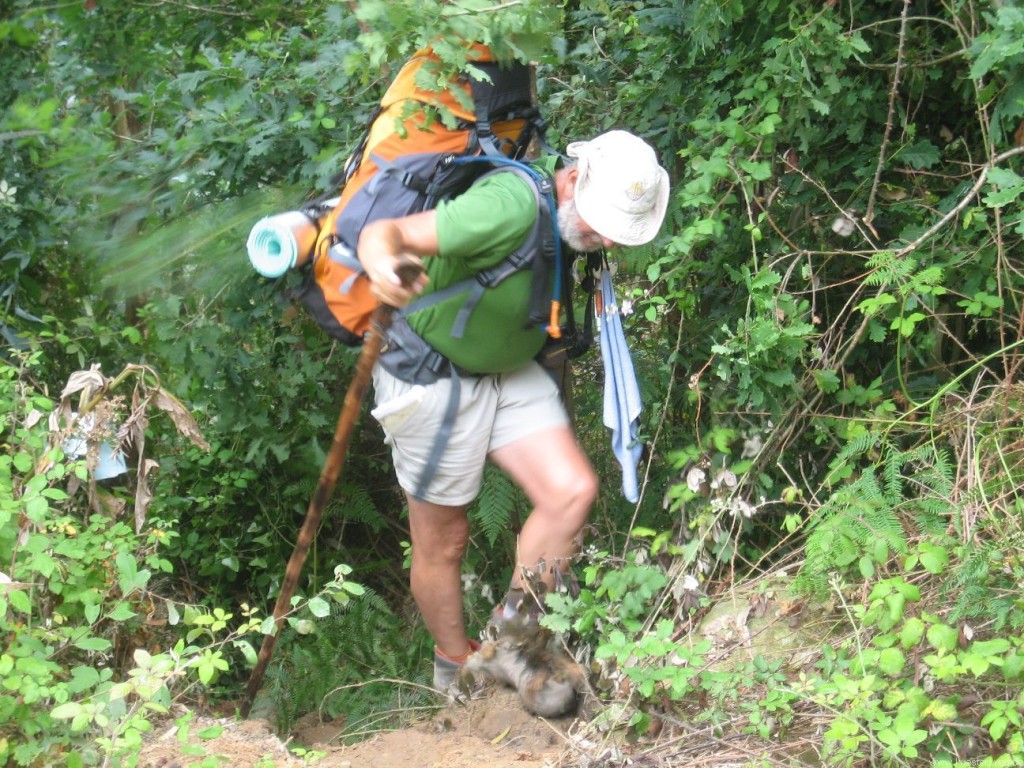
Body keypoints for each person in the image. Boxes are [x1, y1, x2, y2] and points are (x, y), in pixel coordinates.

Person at [356, 129, 670, 712]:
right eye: (602, 221)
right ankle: (455, 673)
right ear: (572, 181)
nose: (605, 239)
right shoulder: (509, 206)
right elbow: (386, 233)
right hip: (432, 373)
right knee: (443, 540)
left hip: (506, 370)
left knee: (571, 492)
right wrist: (385, 263)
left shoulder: (571, 218)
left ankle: (510, 643)